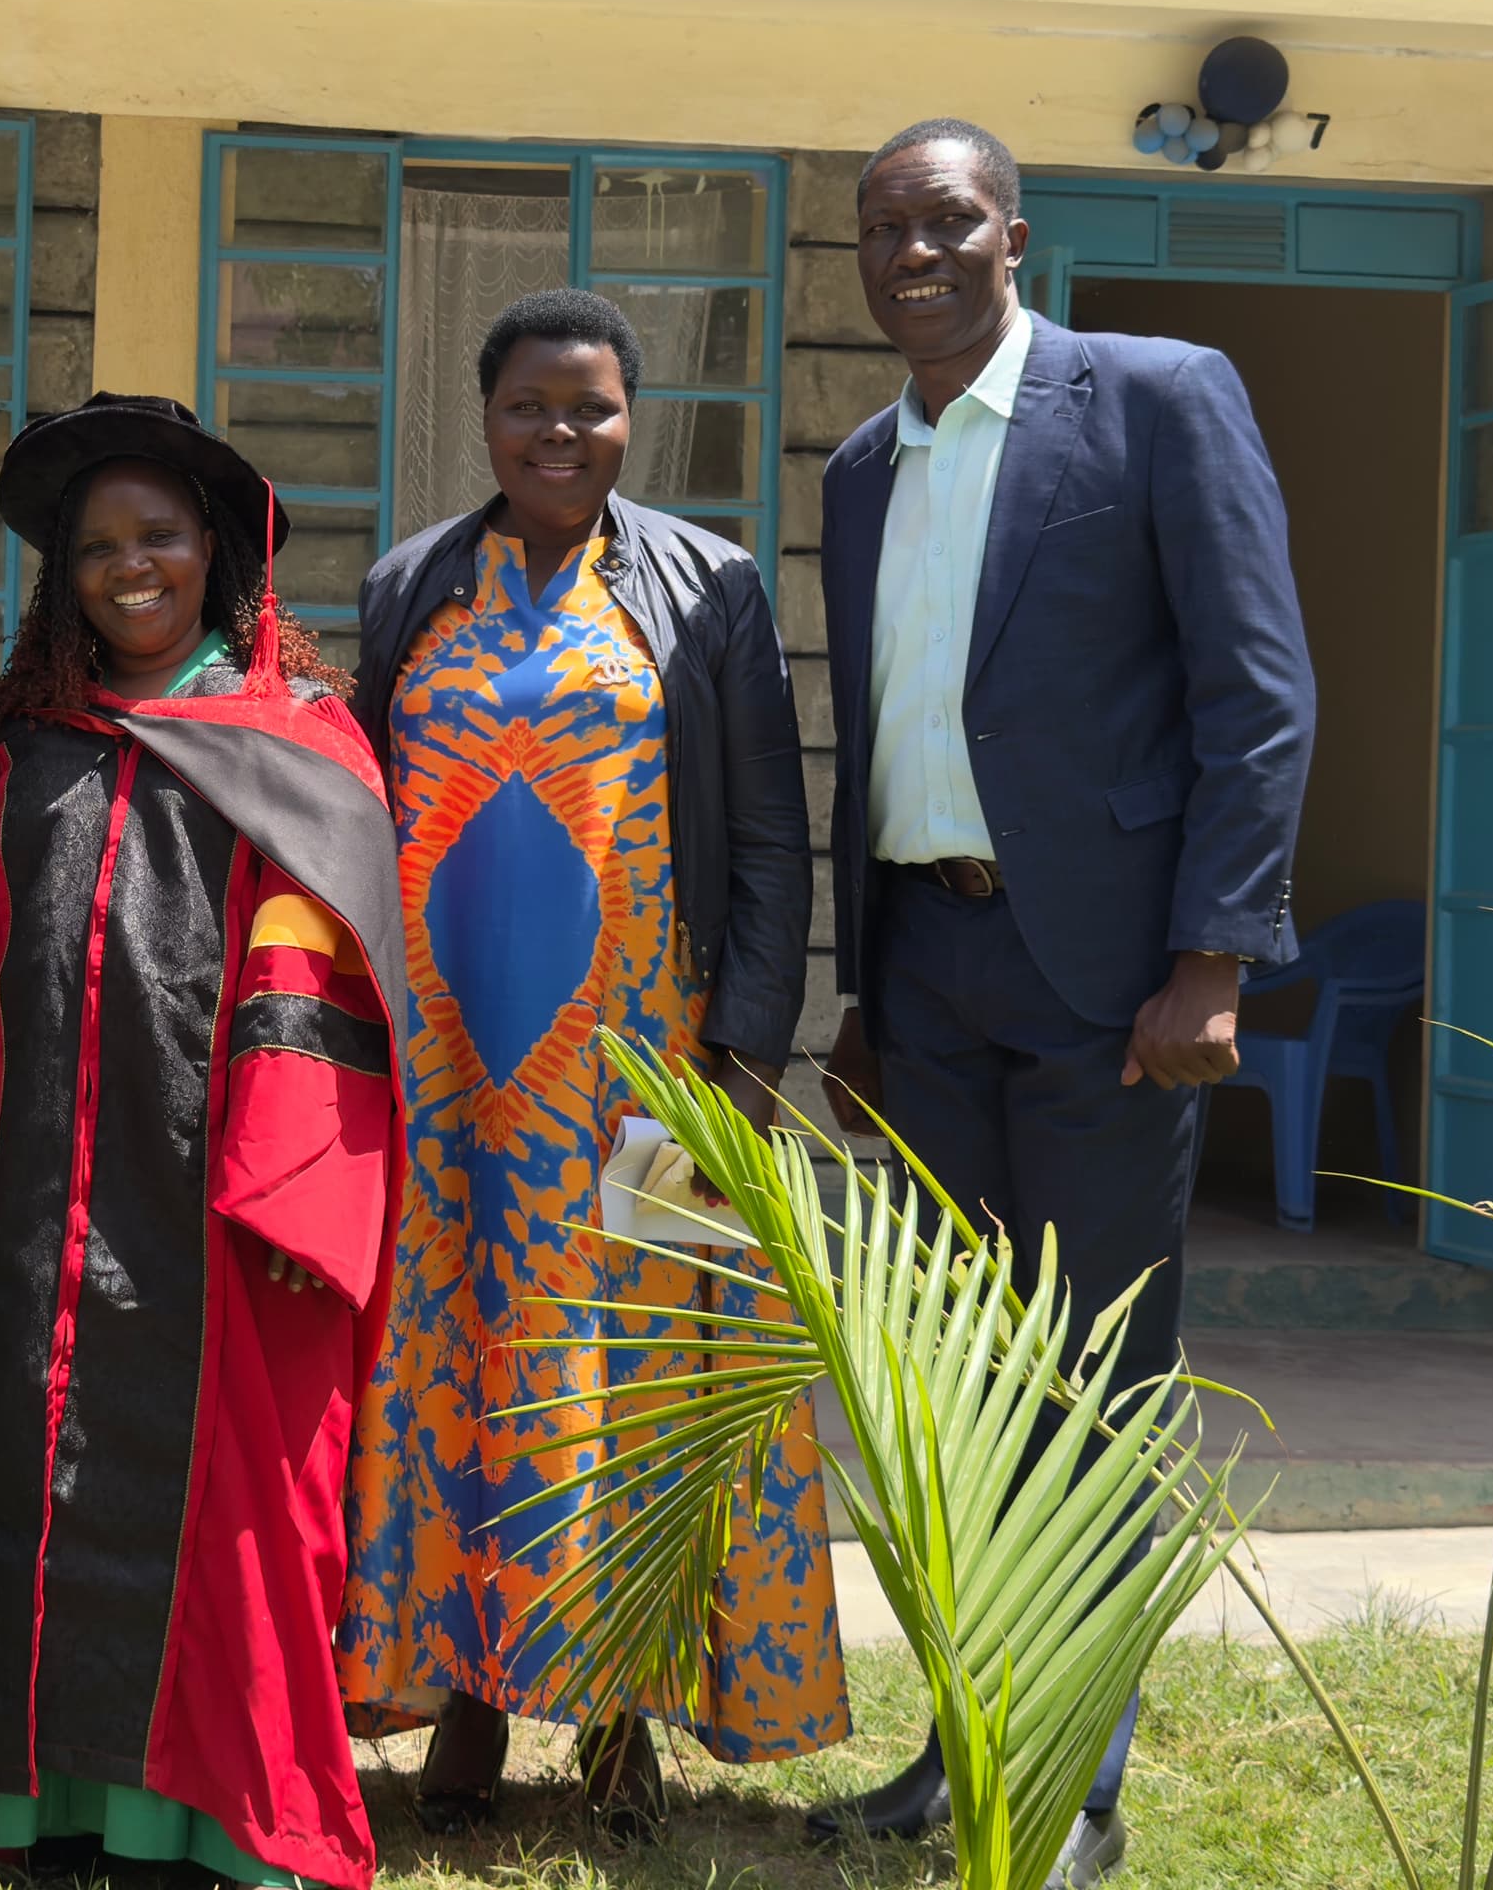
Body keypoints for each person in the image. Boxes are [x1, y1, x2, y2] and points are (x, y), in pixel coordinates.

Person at [809, 119, 1313, 1888]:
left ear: (1014, 235)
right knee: (948, 1390)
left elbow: (1259, 691)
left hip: (1109, 985)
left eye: (944, 221)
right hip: (929, 974)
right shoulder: (863, 466)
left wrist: (1215, 958)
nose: (912, 254)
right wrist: (864, 998)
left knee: (1092, 1383)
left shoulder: (1158, 398)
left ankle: (1077, 1790)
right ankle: (956, 1758)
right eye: (882, 229)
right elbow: (881, 737)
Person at [339, 289, 845, 1841]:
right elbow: (361, 809)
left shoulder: (709, 588)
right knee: (452, 1378)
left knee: (630, 1376)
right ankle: (466, 1712)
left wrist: (745, 1065)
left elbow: (768, 835)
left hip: (642, 1073)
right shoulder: (409, 584)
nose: (563, 433)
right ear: (481, 418)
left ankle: (623, 1721)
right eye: (531, 407)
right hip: (445, 1085)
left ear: (635, 417)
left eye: (596, 407)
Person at [0, 397, 400, 1890]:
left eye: (158, 536)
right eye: (96, 546)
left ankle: (220, 1822)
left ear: (216, 550)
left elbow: (325, 985)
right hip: (52, 1195)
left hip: (228, 1223)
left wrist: (296, 1204)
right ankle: (61, 1806)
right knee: (42, 1494)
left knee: (245, 1524)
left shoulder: (301, 739)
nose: (129, 568)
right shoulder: (23, 740)